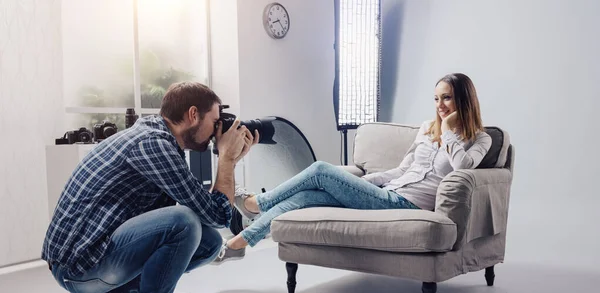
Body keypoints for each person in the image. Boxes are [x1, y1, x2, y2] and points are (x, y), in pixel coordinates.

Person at [213, 73, 492, 264]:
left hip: (410, 206)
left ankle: (257, 203)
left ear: (463, 101)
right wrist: (364, 183)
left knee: (321, 169)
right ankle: (241, 242)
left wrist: (449, 132)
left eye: (447, 98)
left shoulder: (480, 139)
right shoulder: (425, 129)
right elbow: (402, 171)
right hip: (387, 194)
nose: (440, 106)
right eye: (436, 99)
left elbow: (462, 167)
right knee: (305, 198)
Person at [42, 81, 259, 293]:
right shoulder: (153, 144)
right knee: (183, 221)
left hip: (90, 255)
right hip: (79, 268)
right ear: (193, 115)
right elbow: (218, 216)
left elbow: (209, 214)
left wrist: (230, 159)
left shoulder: (159, 140)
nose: (216, 132)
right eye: (214, 122)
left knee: (209, 241)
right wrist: (226, 160)